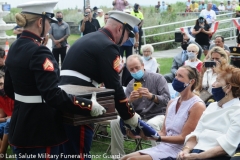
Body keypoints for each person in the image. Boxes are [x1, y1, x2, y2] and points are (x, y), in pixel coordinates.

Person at [4, 0, 106, 158]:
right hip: (42, 131)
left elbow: (10, 89)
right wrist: (88, 105)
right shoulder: (39, 52)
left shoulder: (14, 47)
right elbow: (52, 95)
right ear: (40, 22)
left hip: (20, 126)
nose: (50, 26)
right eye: (48, 22)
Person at [59, 11, 141, 158]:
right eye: (128, 36)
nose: (126, 41)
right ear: (119, 30)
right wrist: (130, 117)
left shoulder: (88, 38)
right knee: (79, 154)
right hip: (82, 103)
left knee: (66, 152)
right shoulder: (108, 46)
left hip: (64, 99)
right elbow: (115, 88)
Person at [122, 65, 206, 160]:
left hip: (180, 151)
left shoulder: (197, 105)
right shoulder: (172, 103)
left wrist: (156, 138)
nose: (176, 79)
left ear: (192, 81)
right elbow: (163, 132)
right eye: (176, 75)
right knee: (125, 158)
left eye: (180, 76)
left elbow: (184, 138)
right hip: (164, 146)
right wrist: (140, 134)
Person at [111, 54, 170, 158]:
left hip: (158, 115)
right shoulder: (130, 85)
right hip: (139, 117)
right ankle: (118, 156)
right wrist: (129, 101)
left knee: (151, 124)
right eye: (131, 69)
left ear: (143, 65)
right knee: (115, 121)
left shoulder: (157, 78)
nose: (135, 71)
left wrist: (151, 96)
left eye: (137, 68)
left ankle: (161, 157)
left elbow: (167, 100)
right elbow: (125, 109)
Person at [178, 64, 240, 160]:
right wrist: (186, 151)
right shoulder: (212, 106)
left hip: (215, 157)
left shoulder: (237, 111)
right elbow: (197, 133)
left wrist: (198, 157)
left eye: (218, 81)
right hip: (195, 153)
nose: (213, 84)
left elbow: (226, 146)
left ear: (228, 88)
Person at [0, 71, 14, 159]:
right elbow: (1, 115)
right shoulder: (0, 96)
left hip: (16, 121)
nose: (0, 87)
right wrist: (5, 118)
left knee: (9, 123)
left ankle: (1, 156)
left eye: (1, 84)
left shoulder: (13, 93)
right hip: (6, 121)